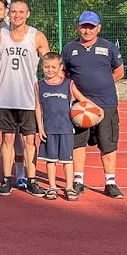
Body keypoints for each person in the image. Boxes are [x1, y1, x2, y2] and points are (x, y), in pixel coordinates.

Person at [62, 11, 125, 199]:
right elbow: (64, 75)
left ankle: (110, 182)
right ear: (78, 27)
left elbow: (119, 72)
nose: (87, 30)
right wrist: (80, 97)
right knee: (78, 143)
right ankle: (78, 180)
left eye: (91, 27)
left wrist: (102, 85)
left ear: (98, 28)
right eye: (84, 26)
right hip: (79, 106)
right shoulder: (69, 48)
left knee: (108, 143)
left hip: (106, 104)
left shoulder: (108, 47)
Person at [0, 0, 50, 196]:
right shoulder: (0, 35)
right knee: (7, 139)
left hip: (28, 97)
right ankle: (7, 178)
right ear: (9, 14)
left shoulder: (37, 36)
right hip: (4, 96)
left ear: (28, 14)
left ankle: (31, 179)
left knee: (29, 141)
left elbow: (49, 63)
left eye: (21, 12)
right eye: (14, 12)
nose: (17, 15)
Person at [36, 52, 94, 201]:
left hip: (66, 129)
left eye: (54, 67)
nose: (50, 70)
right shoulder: (39, 85)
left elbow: (82, 100)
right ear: (42, 67)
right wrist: (40, 128)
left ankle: (69, 187)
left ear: (61, 67)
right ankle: (52, 187)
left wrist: (96, 109)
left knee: (67, 161)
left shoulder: (68, 84)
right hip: (49, 129)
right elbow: (38, 107)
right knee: (50, 160)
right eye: (47, 67)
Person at [0, 0, 27, 186]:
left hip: (12, 89)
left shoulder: (11, 32)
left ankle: (19, 174)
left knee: (16, 134)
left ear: (6, 12)